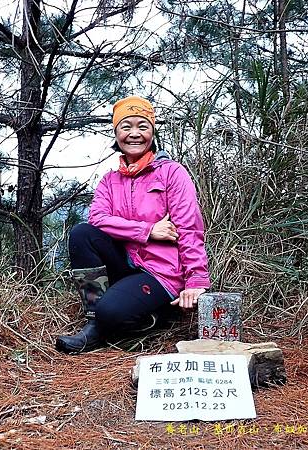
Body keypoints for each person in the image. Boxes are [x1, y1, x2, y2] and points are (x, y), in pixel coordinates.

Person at [56, 95, 210, 353]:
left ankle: (156, 315)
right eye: (126, 127)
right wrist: (148, 231)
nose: (134, 134)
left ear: (152, 132)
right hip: (125, 263)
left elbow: (190, 229)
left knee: (112, 311)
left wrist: (196, 281)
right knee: (82, 233)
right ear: (116, 134)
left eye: (143, 126)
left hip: (160, 272)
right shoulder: (109, 180)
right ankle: (94, 326)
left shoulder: (172, 173)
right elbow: (98, 219)